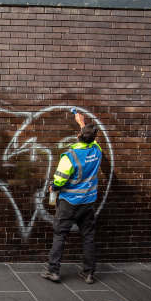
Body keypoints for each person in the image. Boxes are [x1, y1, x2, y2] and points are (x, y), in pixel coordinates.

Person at [41, 112, 102, 284]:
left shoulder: (70, 157)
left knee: (60, 234)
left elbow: (59, 180)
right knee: (88, 236)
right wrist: (82, 122)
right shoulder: (96, 150)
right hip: (89, 201)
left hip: (70, 202)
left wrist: (53, 187)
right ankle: (89, 273)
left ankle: (53, 271)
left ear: (77, 137)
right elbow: (90, 138)